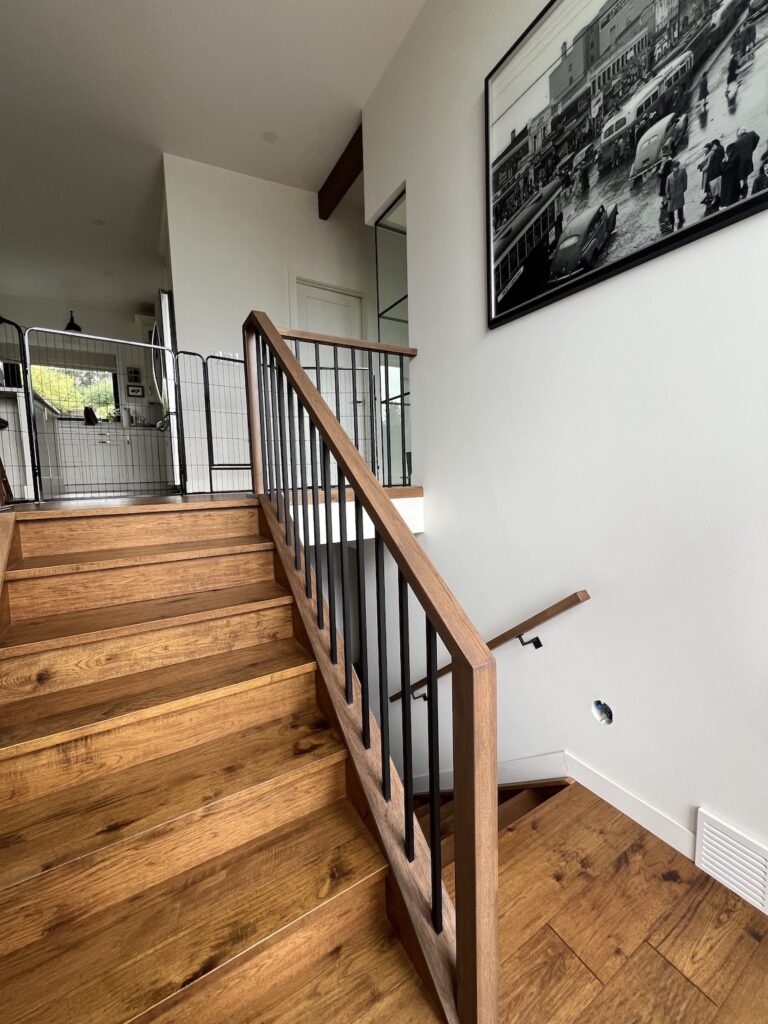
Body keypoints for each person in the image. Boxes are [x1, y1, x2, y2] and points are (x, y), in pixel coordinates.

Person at [735, 126, 760, 197]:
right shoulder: (751, 134)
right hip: (749, 158)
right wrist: (752, 148)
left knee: (742, 173)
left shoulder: (737, 142)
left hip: (741, 160)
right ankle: (745, 186)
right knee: (746, 171)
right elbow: (757, 137)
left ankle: (744, 188)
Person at [665, 160, 688, 229]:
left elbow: (685, 180)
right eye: (675, 167)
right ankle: (672, 223)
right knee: (670, 210)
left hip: (679, 194)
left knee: (680, 207)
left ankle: (681, 219)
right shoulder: (669, 177)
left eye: (677, 166)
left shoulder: (682, 171)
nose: (676, 168)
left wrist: (683, 189)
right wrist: (668, 196)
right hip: (671, 196)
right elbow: (667, 188)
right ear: (672, 168)